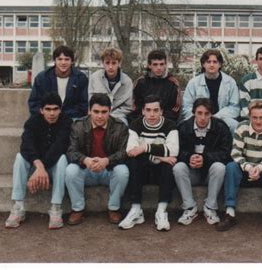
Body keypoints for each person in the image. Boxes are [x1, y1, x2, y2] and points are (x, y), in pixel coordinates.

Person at [216, 100, 262, 235]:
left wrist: (259, 168)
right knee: (231, 167)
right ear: (249, 117)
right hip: (245, 171)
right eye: (254, 117)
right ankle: (229, 213)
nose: (258, 121)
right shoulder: (242, 127)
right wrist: (248, 168)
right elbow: (235, 153)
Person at [5, 92, 72, 230]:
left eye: (55, 109)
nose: (52, 113)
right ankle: (18, 206)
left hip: (54, 169)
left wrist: (42, 168)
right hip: (35, 167)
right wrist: (39, 167)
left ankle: (55, 208)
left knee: (62, 159)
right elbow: (26, 146)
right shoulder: (32, 122)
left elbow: (60, 147)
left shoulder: (66, 122)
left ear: (60, 109)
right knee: (19, 158)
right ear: (41, 110)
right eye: (48, 109)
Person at [65, 93, 129, 225]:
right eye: (96, 111)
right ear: (89, 111)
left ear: (110, 111)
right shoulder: (78, 125)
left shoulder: (120, 126)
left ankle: (114, 208)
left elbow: (124, 152)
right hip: (87, 170)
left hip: (108, 170)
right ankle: (77, 208)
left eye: (104, 112)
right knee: (71, 170)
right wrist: (85, 160)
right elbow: (71, 151)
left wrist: (107, 161)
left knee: (122, 171)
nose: (100, 116)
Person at [119, 95, 179, 231]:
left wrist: (145, 148)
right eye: (148, 110)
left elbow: (173, 151)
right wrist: (160, 157)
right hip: (142, 169)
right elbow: (131, 151)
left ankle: (161, 211)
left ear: (161, 111)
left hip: (160, 172)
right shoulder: (136, 124)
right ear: (143, 111)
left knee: (168, 165)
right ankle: (136, 210)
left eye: (156, 110)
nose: (152, 114)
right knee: (134, 161)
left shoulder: (170, 125)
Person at [173, 98, 232, 226]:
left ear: (211, 114)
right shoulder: (183, 127)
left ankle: (210, 207)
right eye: (199, 113)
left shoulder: (221, 127)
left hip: (210, 175)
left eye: (207, 113)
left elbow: (226, 153)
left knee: (220, 167)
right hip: (191, 172)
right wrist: (189, 157)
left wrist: (205, 159)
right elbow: (175, 151)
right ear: (194, 112)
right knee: (178, 167)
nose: (203, 117)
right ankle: (189, 208)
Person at [182, 49, 240, 133]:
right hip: (199, 118)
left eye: (215, 62)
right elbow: (187, 107)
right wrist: (200, 117)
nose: (211, 65)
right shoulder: (193, 83)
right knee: (183, 128)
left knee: (237, 128)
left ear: (220, 64)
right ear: (203, 64)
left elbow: (234, 107)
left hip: (222, 118)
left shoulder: (230, 82)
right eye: (208, 62)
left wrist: (217, 116)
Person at [28, 45, 88, 119]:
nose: (63, 62)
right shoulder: (42, 78)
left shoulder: (81, 78)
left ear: (72, 61)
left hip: (71, 117)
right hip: (46, 117)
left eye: (67, 59)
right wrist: (48, 114)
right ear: (55, 60)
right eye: (60, 59)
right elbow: (34, 103)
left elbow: (83, 106)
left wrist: (61, 115)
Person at [132, 49, 181, 123]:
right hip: (143, 122)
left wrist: (159, 120)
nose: (159, 68)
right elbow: (135, 107)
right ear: (149, 65)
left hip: (166, 122)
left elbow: (175, 109)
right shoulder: (140, 82)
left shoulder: (173, 83)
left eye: (161, 64)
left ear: (165, 65)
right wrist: (147, 120)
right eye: (155, 64)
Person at [88, 47, 133, 125]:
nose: (110, 67)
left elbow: (128, 107)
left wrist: (111, 115)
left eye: (114, 63)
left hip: (118, 116)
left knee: (122, 127)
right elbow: (90, 100)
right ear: (103, 63)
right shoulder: (94, 78)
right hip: (97, 114)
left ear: (119, 63)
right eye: (107, 63)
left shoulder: (127, 81)